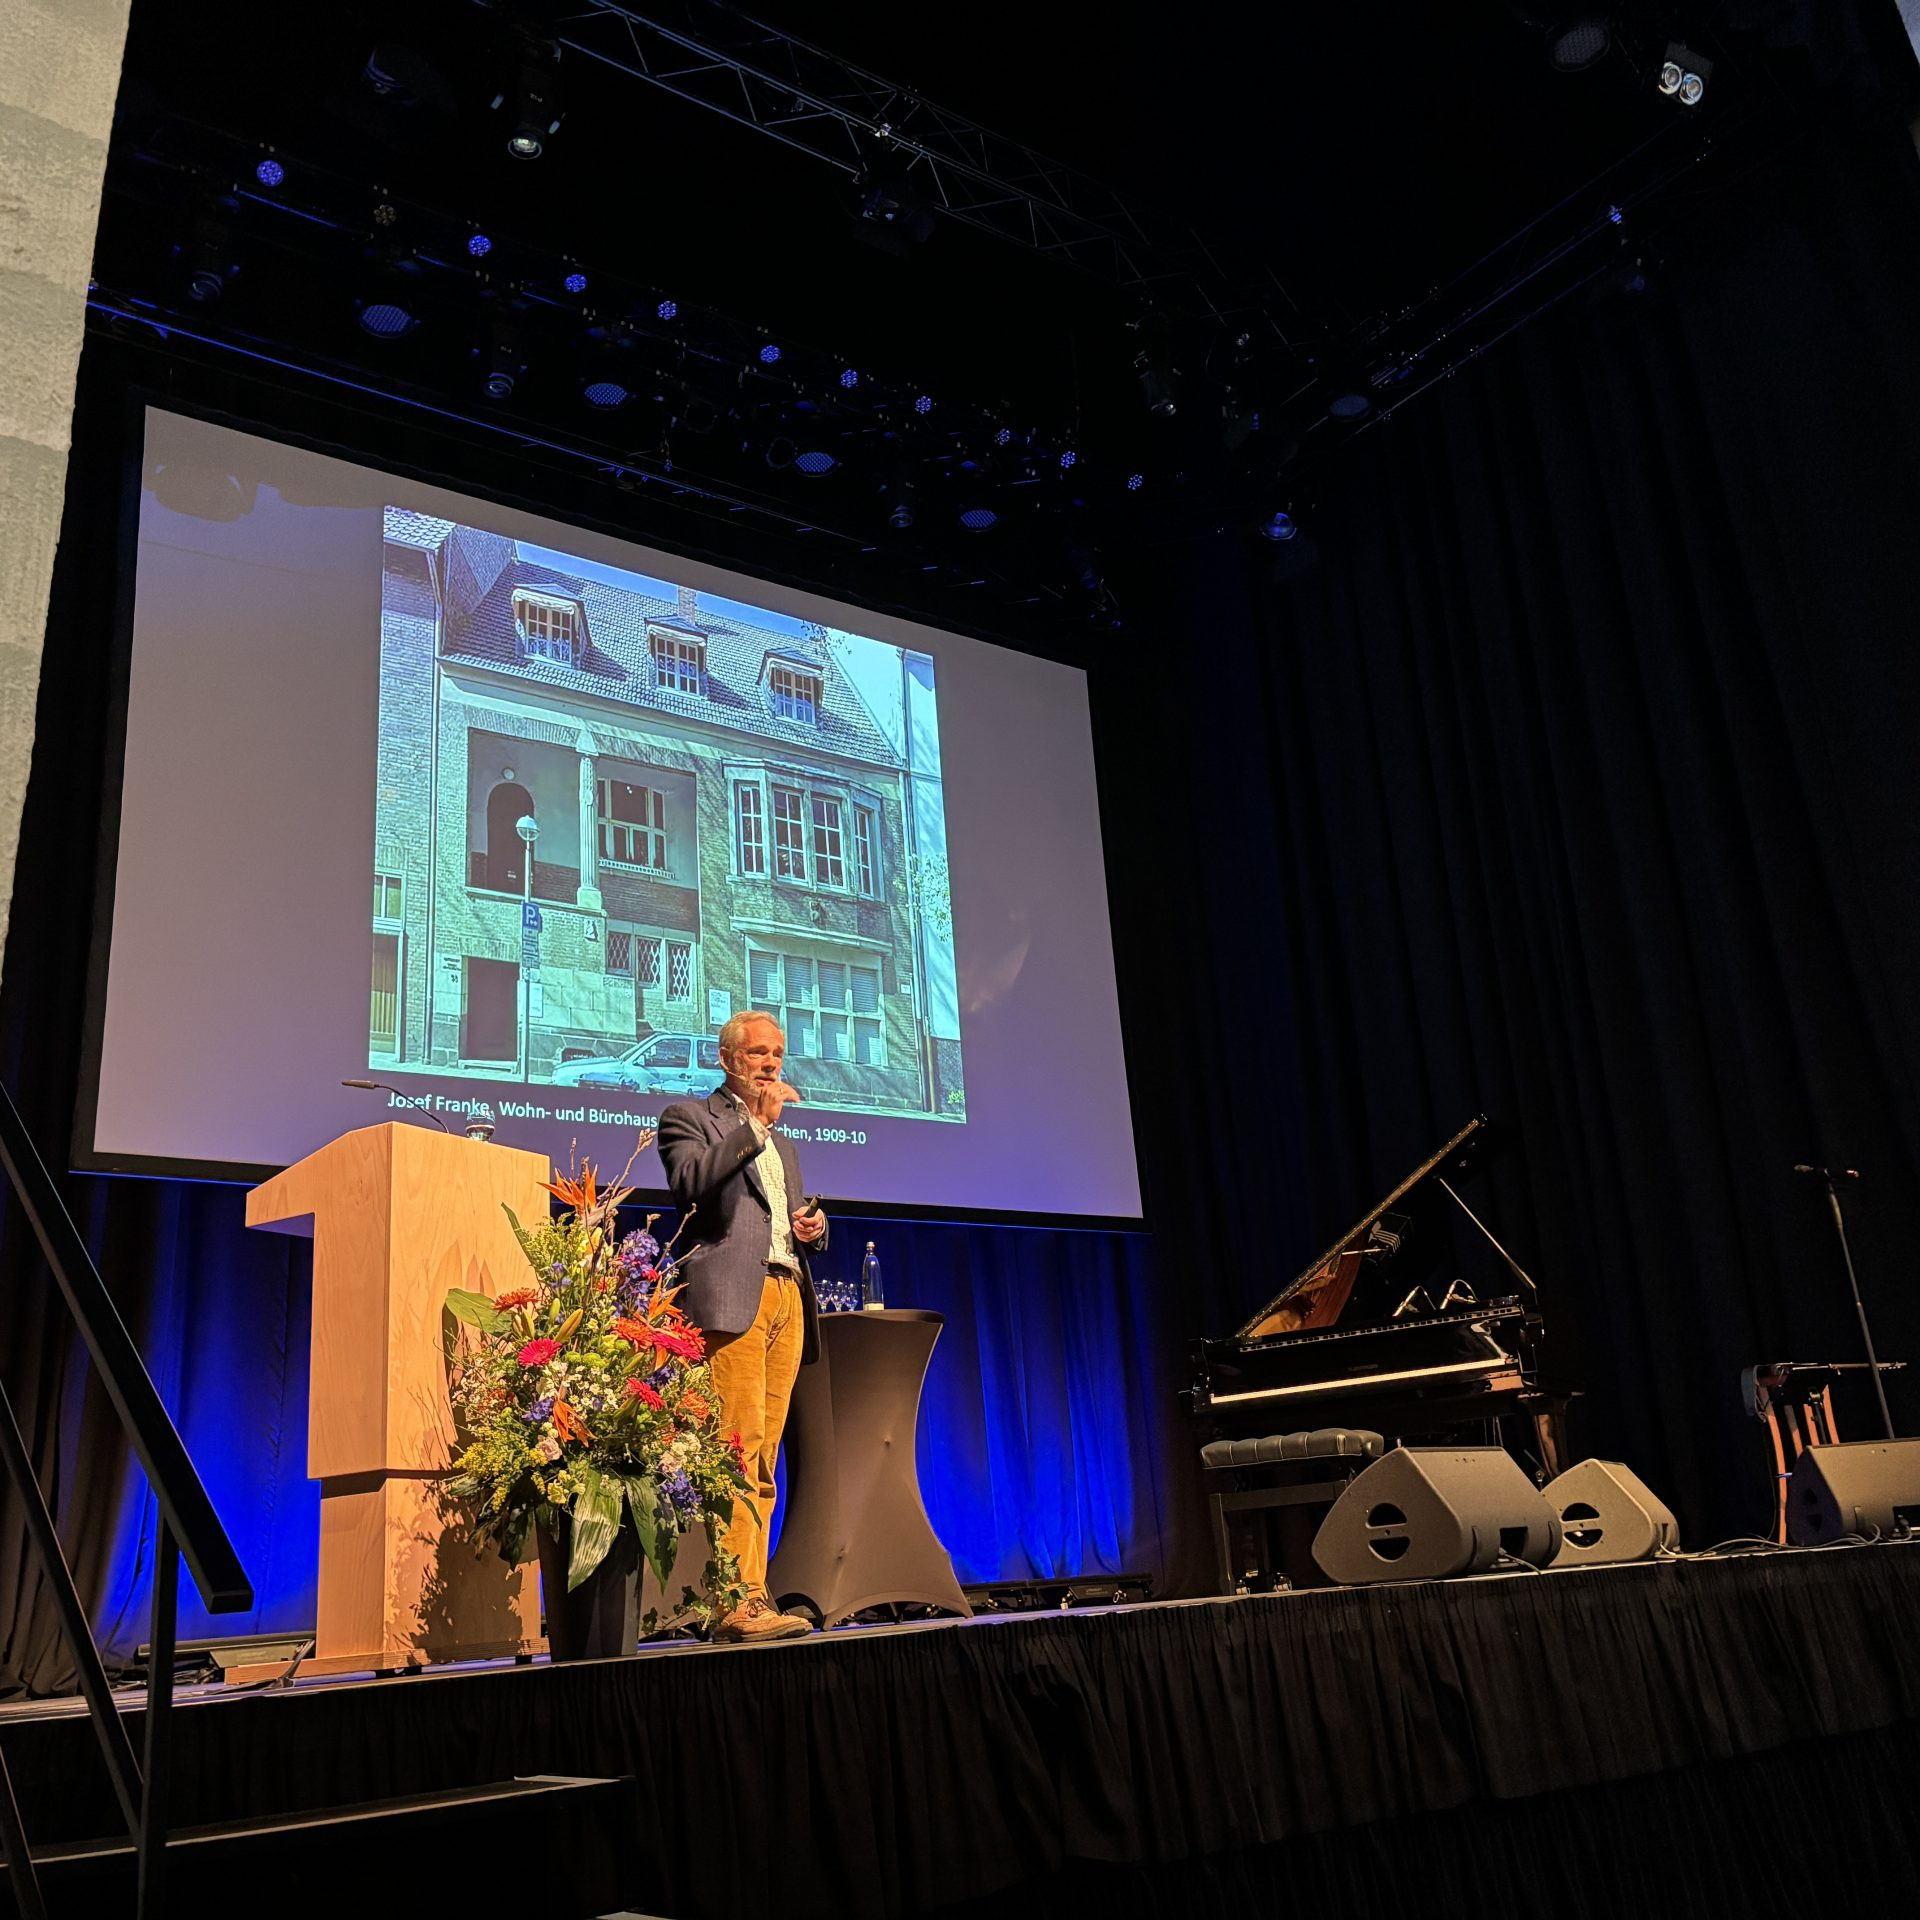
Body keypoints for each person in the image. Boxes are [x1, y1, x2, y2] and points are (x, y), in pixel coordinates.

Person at [656, 1010, 827, 1643]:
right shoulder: (690, 1119)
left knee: (765, 1456)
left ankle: (753, 1592)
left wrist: (814, 1226)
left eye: (778, 1053)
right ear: (728, 1059)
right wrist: (755, 1124)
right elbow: (695, 1187)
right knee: (736, 1448)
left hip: (786, 1294)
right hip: (732, 1301)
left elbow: (784, 1216)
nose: (772, 1064)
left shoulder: (783, 1143)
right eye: (759, 1053)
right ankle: (735, 1600)